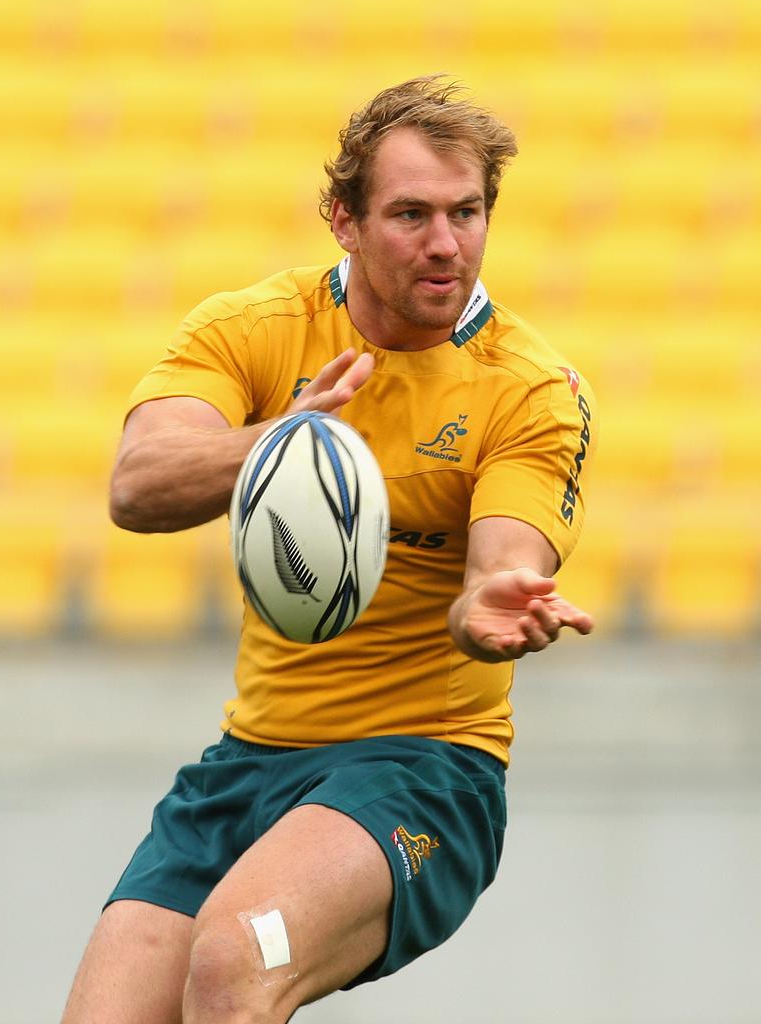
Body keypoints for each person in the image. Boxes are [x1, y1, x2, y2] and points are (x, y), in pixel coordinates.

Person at [62, 75, 597, 1024]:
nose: (446, 242)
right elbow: (137, 486)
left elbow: (501, 569)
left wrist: (487, 610)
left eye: (467, 212)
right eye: (411, 214)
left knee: (234, 958)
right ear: (343, 221)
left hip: (424, 769)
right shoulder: (253, 329)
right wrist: (275, 442)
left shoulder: (527, 388)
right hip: (248, 759)